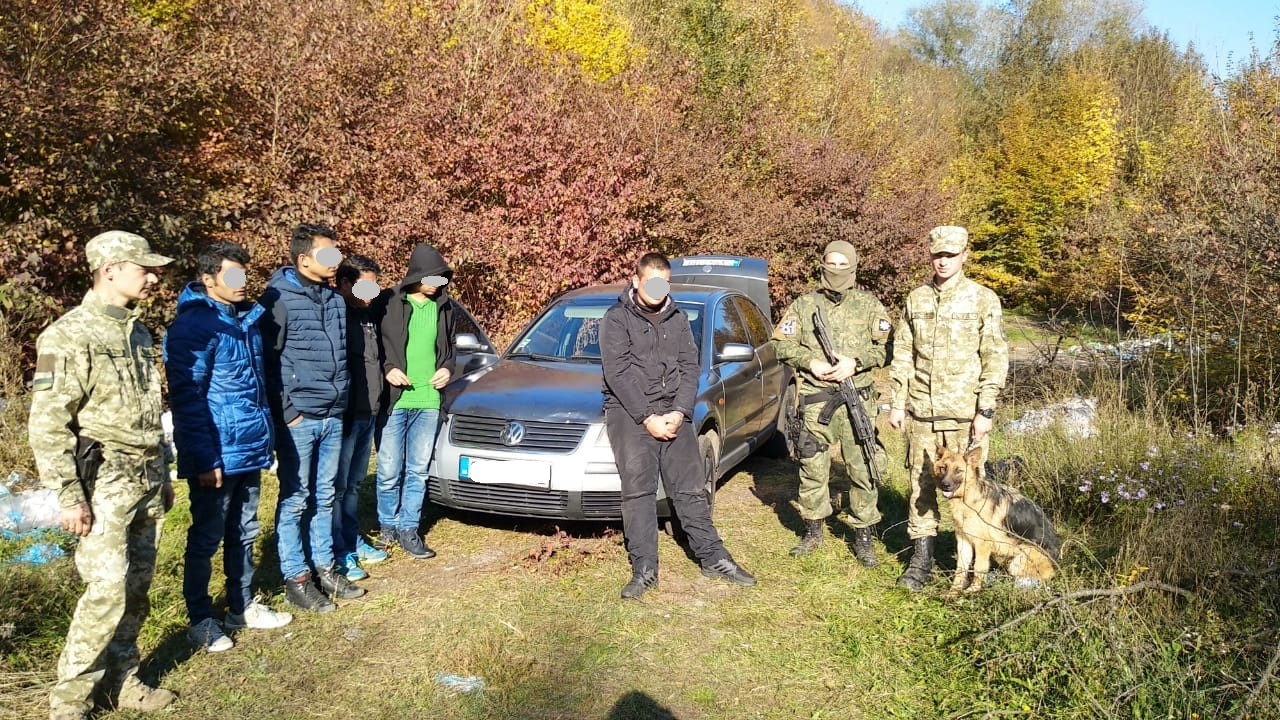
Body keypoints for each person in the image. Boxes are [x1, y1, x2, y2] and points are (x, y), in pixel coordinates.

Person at [28, 231, 177, 720]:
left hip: (146, 474)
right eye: (144, 268)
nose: (153, 277)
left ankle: (122, 680)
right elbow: (48, 423)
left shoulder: (136, 331)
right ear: (110, 269)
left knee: (136, 588)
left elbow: (148, 410)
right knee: (105, 592)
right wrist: (69, 496)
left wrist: (164, 472)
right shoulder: (65, 336)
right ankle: (69, 703)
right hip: (104, 481)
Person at [600, 252, 756, 600]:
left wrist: (681, 411)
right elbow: (618, 374)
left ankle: (712, 558)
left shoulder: (678, 317)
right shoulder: (615, 319)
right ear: (637, 280)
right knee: (638, 494)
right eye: (651, 282)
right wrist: (647, 418)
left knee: (690, 488)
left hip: (673, 412)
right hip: (630, 414)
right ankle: (645, 569)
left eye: (664, 282)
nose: (658, 289)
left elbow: (690, 366)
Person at [165, 241, 293, 653]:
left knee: (244, 531)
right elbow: (188, 398)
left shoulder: (247, 320)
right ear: (208, 280)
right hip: (215, 454)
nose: (241, 284)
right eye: (232, 276)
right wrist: (203, 458)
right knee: (206, 537)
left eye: (243, 275)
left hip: (248, 447)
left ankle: (241, 605)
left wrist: (266, 440)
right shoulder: (193, 327)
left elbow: (255, 390)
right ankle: (200, 619)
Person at [888, 226, 1009, 592]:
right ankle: (921, 562)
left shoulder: (983, 299)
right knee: (920, 486)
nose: (944, 261)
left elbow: (995, 356)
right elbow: (903, 353)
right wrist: (897, 403)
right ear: (930, 255)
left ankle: (971, 568)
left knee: (971, 493)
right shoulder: (916, 299)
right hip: (923, 410)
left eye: (951, 255)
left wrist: (985, 410)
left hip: (965, 413)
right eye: (938, 254)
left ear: (964, 256)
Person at [259, 223, 365, 612]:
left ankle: (324, 567)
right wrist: (288, 414)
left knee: (325, 496)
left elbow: (342, 357)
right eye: (327, 255)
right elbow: (268, 363)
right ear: (304, 259)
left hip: (333, 414)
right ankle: (297, 577)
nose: (335, 261)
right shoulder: (277, 300)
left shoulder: (336, 299)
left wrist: (343, 403)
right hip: (299, 419)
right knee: (295, 499)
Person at [771, 240, 891, 566]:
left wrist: (856, 361)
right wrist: (812, 363)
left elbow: (887, 349)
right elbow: (780, 345)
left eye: (843, 264)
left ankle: (863, 536)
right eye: (831, 263)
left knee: (863, 468)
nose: (836, 270)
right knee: (812, 467)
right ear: (821, 264)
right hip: (816, 400)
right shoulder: (803, 305)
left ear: (853, 267)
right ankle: (813, 531)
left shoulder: (869, 307)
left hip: (858, 399)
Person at [375, 243, 458, 559]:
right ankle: (387, 528)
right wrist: (388, 369)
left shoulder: (445, 307)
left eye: (444, 279)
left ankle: (409, 529)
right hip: (396, 401)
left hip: (428, 401)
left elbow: (450, 349)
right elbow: (375, 347)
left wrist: (447, 370)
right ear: (418, 275)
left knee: (417, 470)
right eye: (436, 277)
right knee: (388, 470)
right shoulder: (388, 302)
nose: (441, 284)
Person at [334, 255, 391, 579]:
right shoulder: (336, 316)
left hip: (368, 413)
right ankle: (339, 550)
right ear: (343, 284)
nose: (371, 291)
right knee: (338, 488)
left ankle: (353, 540)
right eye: (363, 284)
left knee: (354, 485)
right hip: (344, 416)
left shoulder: (368, 314)